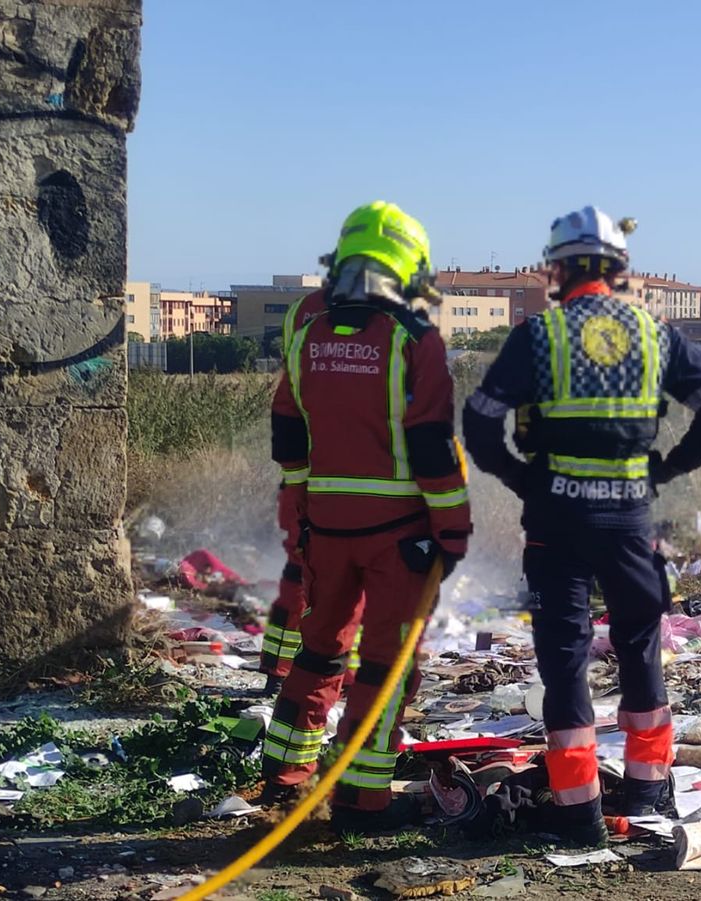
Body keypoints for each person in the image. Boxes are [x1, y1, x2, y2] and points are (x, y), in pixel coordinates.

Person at [463, 206, 701, 846]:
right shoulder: (655, 335)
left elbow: (479, 422)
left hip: (556, 521)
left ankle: (577, 811)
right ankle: (646, 792)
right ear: (620, 270)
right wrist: (667, 469)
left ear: (556, 271)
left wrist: (520, 476)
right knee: (641, 647)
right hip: (629, 521)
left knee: (564, 662)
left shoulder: (538, 337)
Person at [263, 201, 471, 833]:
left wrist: (296, 505)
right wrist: (454, 529)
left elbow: (287, 426)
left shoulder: (306, 332)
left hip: (324, 527)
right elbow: (433, 446)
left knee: (319, 650)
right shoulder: (415, 339)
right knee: (384, 664)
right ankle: (361, 800)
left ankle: (284, 774)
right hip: (399, 537)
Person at [258, 286, 363, 690]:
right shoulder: (385, 316)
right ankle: (344, 673)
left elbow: (290, 398)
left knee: (299, 570)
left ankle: (279, 668)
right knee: (360, 577)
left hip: (304, 473)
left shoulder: (304, 312)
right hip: (361, 479)